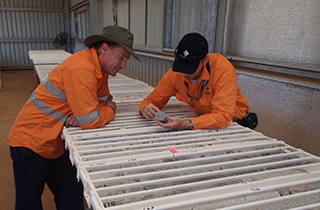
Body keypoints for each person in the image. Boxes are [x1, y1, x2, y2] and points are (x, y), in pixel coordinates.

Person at [7, 25, 139, 210]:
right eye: (122, 57)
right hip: (31, 143)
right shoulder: (81, 69)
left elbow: (102, 101)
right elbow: (93, 119)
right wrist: (107, 110)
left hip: (54, 141)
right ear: (104, 49)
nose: (124, 65)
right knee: (28, 204)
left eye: (126, 59)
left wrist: (90, 113)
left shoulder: (100, 71)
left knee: (71, 194)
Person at [139, 32, 257, 130]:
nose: (184, 74)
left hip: (231, 123)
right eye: (182, 67)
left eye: (190, 69)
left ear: (205, 60)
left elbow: (223, 115)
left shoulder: (222, 70)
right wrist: (145, 108)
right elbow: (153, 99)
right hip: (201, 118)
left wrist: (187, 124)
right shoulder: (176, 73)